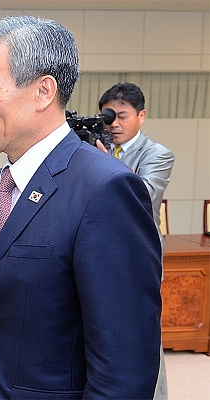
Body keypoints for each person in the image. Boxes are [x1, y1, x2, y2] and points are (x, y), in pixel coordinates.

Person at [0, 16, 163, 399]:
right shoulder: (5, 180)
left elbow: (124, 369)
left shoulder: (106, 189)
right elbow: (16, 284)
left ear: (44, 92)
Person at [98, 82, 175, 400]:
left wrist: (100, 162)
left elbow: (141, 196)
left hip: (137, 257)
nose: (114, 123)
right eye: (109, 116)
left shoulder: (158, 154)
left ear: (141, 116)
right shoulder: (94, 148)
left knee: (142, 333)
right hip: (97, 250)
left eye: (123, 116)